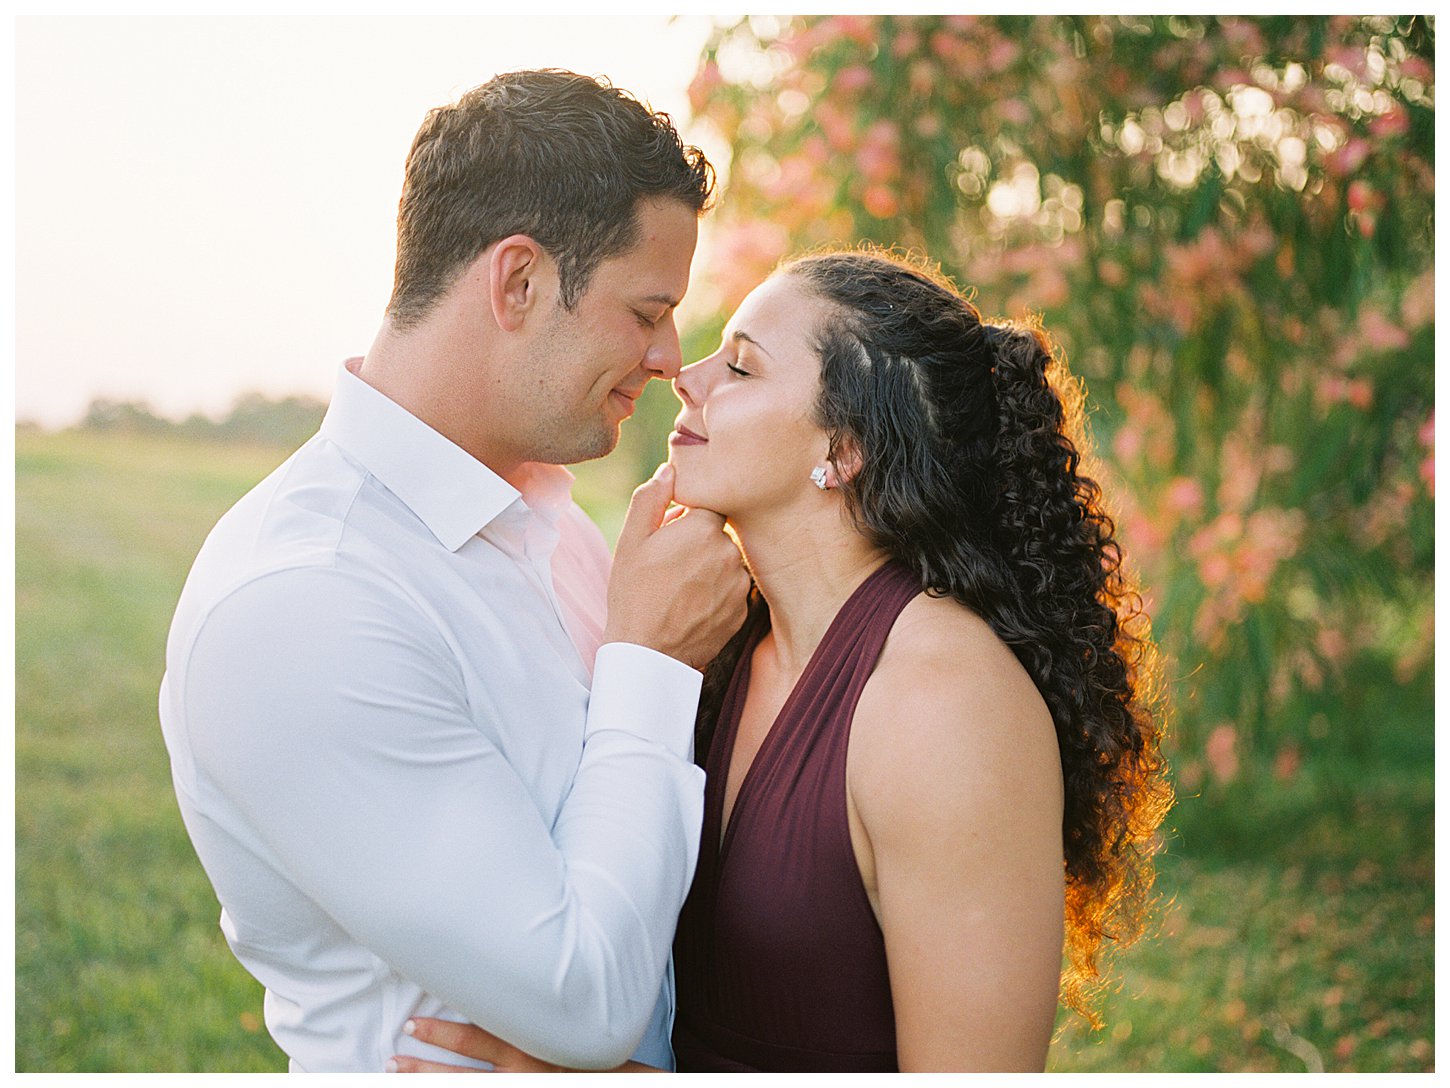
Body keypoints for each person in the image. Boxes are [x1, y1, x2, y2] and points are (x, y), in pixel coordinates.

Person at [390, 247, 1173, 1072]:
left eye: (741, 366)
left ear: (844, 449)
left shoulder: (944, 703)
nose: (683, 377)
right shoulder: (724, 646)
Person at [157, 70, 750, 1073]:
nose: (668, 355)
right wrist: (650, 661)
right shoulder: (302, 601)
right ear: (517, 282)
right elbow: (586, 996)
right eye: (646, 309)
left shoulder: (551, 528)